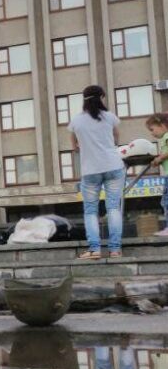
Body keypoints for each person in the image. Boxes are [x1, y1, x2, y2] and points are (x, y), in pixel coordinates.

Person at [69, 85, 125, 259]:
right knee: (113, 208)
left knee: (91, 211)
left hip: (90, 170)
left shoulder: (76, 122)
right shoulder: (110, 117)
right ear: (101, 97)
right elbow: (117, 139)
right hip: (114, 166)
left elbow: (75, 146)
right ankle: (115, 250)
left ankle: (94, 249)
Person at [146, 114, 168, 236]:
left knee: (166, 201)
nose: (152, 133)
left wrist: (159, 158)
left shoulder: (167, 136)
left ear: (162, 125)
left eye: (152, 129)